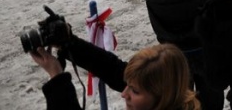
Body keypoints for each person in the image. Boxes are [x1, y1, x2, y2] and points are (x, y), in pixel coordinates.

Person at [30, 37, 200, 110]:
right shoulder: (177, 99)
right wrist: (69, 43)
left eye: (135, 91)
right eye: (128, 86)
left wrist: (56, 76)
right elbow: (115, 70)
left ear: (163, 95)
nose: (124, 94)